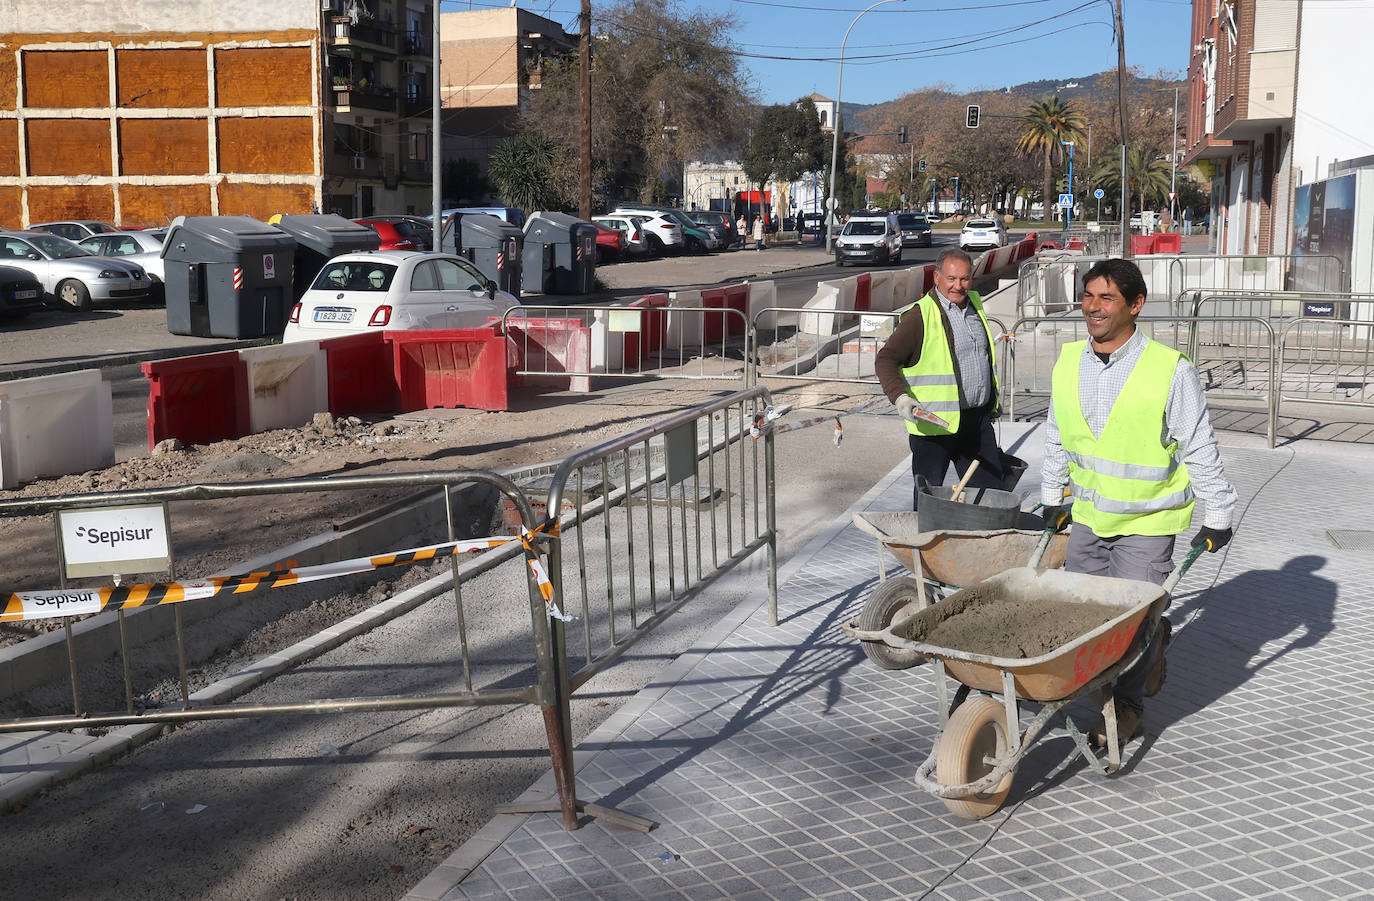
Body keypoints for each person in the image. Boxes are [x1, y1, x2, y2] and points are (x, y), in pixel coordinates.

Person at [1039, 257, 1237, 749]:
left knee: (1129, 623)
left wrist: (1218, 512)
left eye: (1107, 298)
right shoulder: (1068, 361)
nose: (1093, 307)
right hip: (1088, 517)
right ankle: (1127, 661)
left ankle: (1128, 707)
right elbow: (1057, 433)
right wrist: (1051, 495)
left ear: (1135, 305)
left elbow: (1197, 444)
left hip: (1148, 522)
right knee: (1086, 614)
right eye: (1088, 296)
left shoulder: (1169, 370)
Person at [875, 248, 1005, 508]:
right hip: (934, 426)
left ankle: (982, 534)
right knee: (929, 502)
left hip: (975, 422)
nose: (958, 286)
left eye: (964, 279)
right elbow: (885, 359)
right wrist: (900, 398)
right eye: (951, 278)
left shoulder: (975, 306)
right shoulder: (920, 316)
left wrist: (990, 400)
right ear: (936, 278)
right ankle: (925, 536)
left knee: (990, 498)